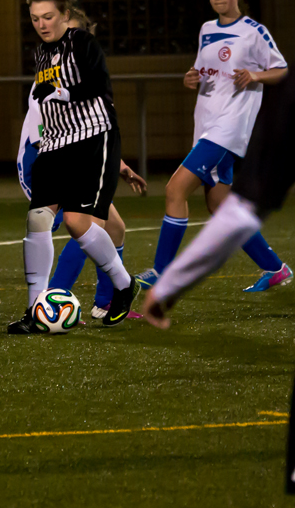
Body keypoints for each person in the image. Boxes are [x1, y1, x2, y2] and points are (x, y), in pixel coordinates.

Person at [140, 72, 295, 494]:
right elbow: (239, 211)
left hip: (224, 133)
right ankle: (273, 266)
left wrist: (169, 288)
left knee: (210, 199)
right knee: (218, 199)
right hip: (213, 131)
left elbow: (240, 215)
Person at [136, 0, 289, 293]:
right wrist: (191, 77)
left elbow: (281, 69)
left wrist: (256, 75)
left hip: (229, 129)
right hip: (206, 125)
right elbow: (205, 70)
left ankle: (162, 272)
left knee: (175, 190)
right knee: (221, 207)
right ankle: (275, 268)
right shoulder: (206, 29)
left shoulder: (253, 31)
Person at [8, 0, 138, 335]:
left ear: (64, 15)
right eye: (35, 18)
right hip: (55, 144)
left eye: (48, 16)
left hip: (92, 138)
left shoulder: (83, 42)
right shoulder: (40, 53)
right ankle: (36, 309)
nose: (41, 23)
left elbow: (99, 85)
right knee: (37, 220)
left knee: (78, 223)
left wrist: (61, 92)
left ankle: (125, 286)